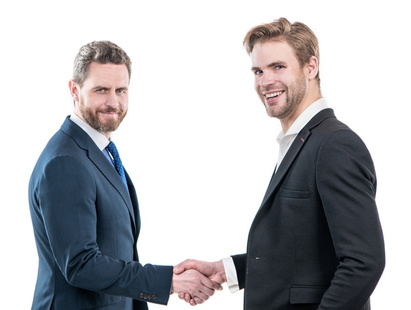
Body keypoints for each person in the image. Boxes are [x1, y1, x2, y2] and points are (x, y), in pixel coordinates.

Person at [175, 18, 385, 309]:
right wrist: (225, 270)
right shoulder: (300, 142)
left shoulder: (335, 145)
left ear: (310, 67)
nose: (265, 81)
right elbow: (301, 254)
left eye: (278, 67)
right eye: (258, 71)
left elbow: (364, 262)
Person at [28, 40, 221, 310]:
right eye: (101, 90)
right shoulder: (65, 161)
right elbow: (80, 264)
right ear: (74, 89)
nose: (113, 102)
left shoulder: (100, 152)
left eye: (121, 90)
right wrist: (171, 282)